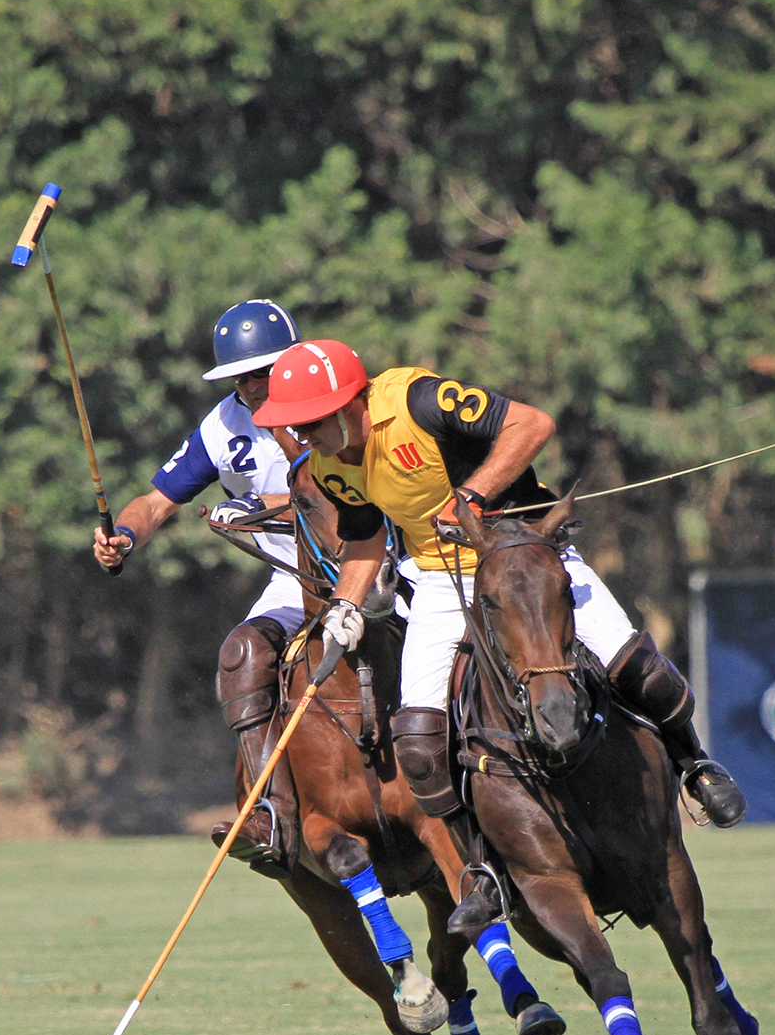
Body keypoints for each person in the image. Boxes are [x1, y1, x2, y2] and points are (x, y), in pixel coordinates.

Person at [250, 338, 745, 934]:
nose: (299, 433)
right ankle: (481, 870)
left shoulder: (418, 400)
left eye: (308, 420)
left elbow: (531, 424)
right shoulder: (330, 467)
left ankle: (696, 765)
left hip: (523, 556)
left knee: (636, 668)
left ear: (348, 403)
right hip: (439, 578)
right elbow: (364, 538)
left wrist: (471, 495)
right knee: (419, 741)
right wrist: (345, 606)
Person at [92, 299, 305, 876]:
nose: (252, 386)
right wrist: (123, 537)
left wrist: (260, 506)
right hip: (296, 581)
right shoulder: (222, 426)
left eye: (263, 372)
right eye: (241, 377)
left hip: (376, 564)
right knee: (241, 655)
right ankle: (268, 812)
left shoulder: (329, 399)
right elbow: (155, 502)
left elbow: (343, 492)